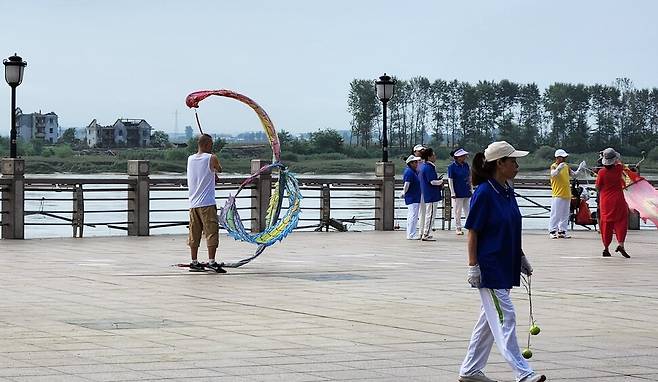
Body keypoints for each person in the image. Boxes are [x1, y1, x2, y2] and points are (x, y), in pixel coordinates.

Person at [459, 141, 546, 382]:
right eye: (513, 161)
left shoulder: (507, 190)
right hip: (490, 267)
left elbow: (509, 228)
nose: (517, 165)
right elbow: (473, 232)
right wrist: (473, 267)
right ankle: (523, 372)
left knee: (488, 321)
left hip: (505, 264)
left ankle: (470, 370)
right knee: (505, 317)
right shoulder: (485, 193)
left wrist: (520, 256)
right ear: (500, 164)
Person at [186, 134, 227, 273]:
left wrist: (212, 173)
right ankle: (211, 261)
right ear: (206, 145)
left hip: (193, 203)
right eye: (211, 145)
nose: (212, 147)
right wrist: (215, 169)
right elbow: (219, 168)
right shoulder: (211, 157)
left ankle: (194, 261)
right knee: (211, 232)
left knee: (194, 232)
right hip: (207, 203)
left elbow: (203, 173)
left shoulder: (190, 159)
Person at [595, 148, 631, 258]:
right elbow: (623, 166)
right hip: (618, 199)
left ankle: (606, 248)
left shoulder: (601, 172)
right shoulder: (619, 169)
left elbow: (597, 187)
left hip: (605, 201)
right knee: (621, 221)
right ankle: (621, 244)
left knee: (606, 224)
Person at [548, 149, 586, 239]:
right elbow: (553, 174)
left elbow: (574, 174)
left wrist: (580, 168)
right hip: (557, 194)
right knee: (555, 213)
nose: (565, 159)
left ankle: (562, 231)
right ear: (558, 158)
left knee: (565, 214)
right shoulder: (553, 166)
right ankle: (552, 231)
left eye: (565, 157)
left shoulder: (566, 166)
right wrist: (558, 168)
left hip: (567, 194)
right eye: (563, 157)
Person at [418, 148, 443, 241]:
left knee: (429, 214)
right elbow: (432, 181)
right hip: (431, 194)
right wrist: (440, 181)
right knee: (430, 214)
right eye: (434, 155)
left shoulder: (424, 167)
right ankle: (426, 234)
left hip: (428, 193)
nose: (435, 156)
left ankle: (426, 232)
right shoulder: (429, 168)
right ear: (429, 157)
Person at [448, 148, 472, 235]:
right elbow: (450, 180)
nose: (464, 157)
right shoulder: (451, 167)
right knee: (457, 211)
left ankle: (470, 226)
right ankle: (458, 227)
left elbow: (469, 178)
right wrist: (453, 192)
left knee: (468, 210)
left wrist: (471, 188)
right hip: (457, 192)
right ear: (458, 157)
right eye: (462, 156)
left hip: (466, 190)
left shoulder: (466, 165)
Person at [401, 155, 422, 240]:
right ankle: (410, 234)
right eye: (415, 162)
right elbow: (407, 184)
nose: (417, 163)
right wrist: (404, 192)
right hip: (412, 197)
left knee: (413, 215)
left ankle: (411, 233)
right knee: (412, 215)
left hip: (415, 196)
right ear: (410, 163)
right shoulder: (409, 172)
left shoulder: (414, 171)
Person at [414, 144, 427, 237]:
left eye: (422, 151)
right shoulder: (413, 163)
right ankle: (414, 231)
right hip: (416, 190)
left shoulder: (426, 163)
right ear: (415, 152)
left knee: (424, 212)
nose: (421, 153)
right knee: (415, 212)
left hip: (424, 190)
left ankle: (422, 231)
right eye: (419, 151)